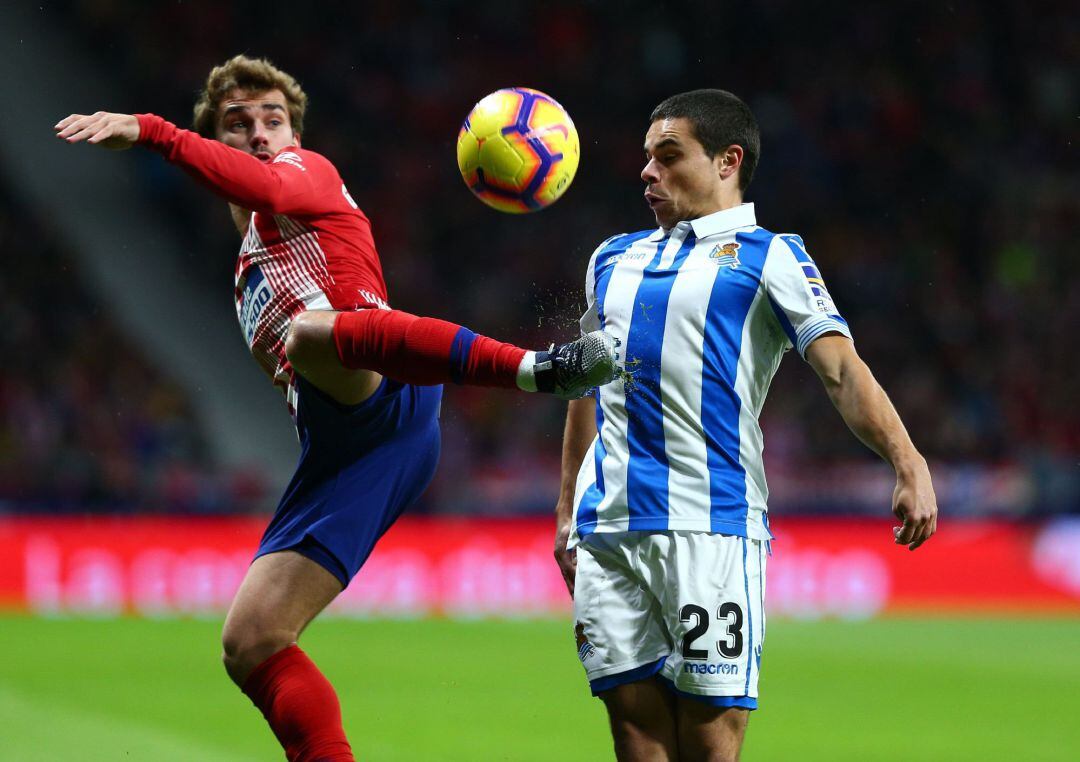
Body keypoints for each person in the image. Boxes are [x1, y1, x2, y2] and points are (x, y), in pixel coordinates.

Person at [56, 55, 618, 762]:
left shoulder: (307, 173)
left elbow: (262, 186)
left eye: (274, 119)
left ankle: (542, 369)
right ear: (216, 142)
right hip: (343, 446)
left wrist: (151, 132)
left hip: (386, 390)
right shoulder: (246, 271)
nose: (262, 133)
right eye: (239, 124)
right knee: (251, 640)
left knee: (309, 332)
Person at [553, 89, 938, 761]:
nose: (648, 172)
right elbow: (585, 384)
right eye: (646, 158)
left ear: (728, 161)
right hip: (608, 528)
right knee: (634, 736)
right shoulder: (610, 258)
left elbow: (841, 372)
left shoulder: (771, 257)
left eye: (669, 157)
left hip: (713, 526)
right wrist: (565, 512)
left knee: (709, 742)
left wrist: (908, 462)